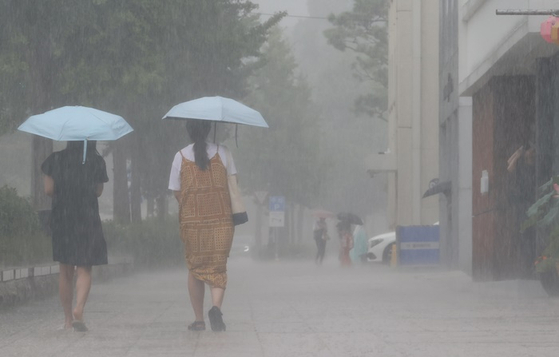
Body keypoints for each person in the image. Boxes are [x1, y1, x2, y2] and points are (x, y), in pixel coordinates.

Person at [168, 120, 237, 332]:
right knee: (218, 266)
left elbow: (176, 191)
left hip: (192, 223)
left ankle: (199, 320)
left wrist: (193, 208)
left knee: (195, 268)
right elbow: (233, 185)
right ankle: (215, 308)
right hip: (221, 220)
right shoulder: (224, 153)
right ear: (208, 130)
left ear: (188, 131)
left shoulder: (179, 157)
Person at [41, 141, 109, 332]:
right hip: (87, 217)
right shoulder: (96, 161)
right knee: (85, 267)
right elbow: (98, 191)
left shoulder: (55, 159)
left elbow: (48, 190)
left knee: (65, 270)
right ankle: (79, 308)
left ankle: (67, 320)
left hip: (63, 218)